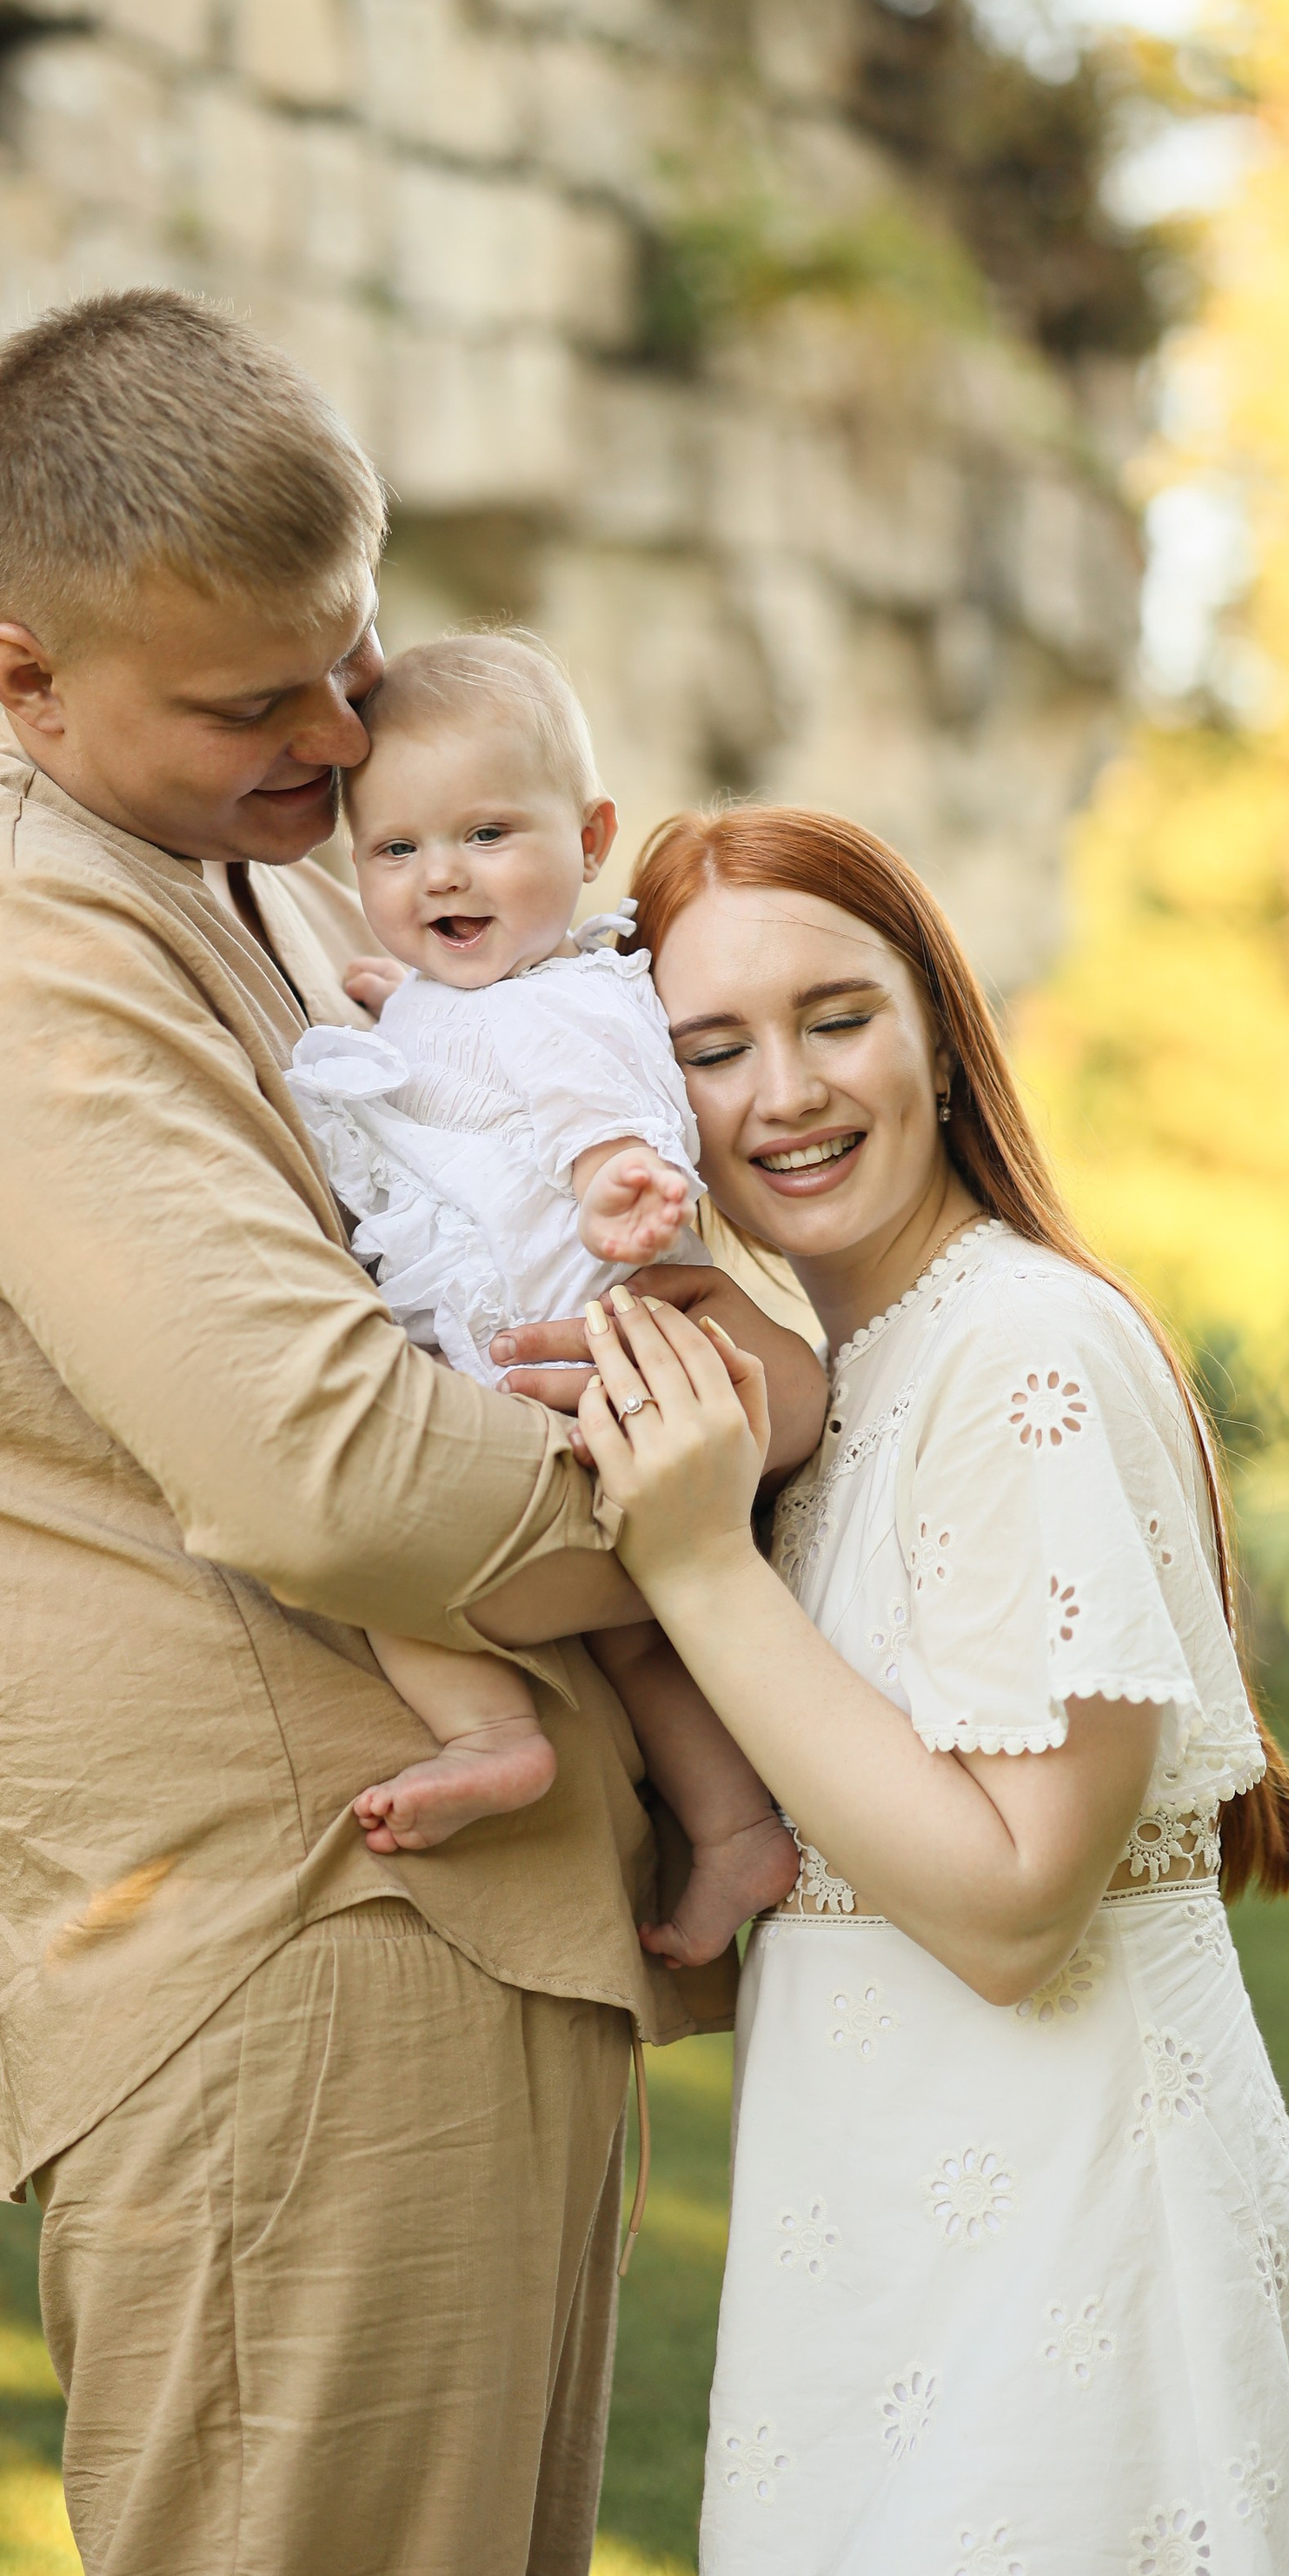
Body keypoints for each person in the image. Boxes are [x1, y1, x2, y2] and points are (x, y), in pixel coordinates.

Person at [0, 290, 827, 2576]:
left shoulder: (244, 868)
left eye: (343, 671)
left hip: (452, 1930)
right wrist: (767, 1448)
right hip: (302, 1952)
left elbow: (499, 1272)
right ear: (24, 678)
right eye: (254, 706)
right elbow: (339, 1468)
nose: (339, 746)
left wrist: (746, 1352)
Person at [564, 806, 1289, 2576]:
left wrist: (696, 1567)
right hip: (874, 2241)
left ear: (941, 1033)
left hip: (1067, 2251)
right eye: (708, 1050)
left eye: (832, 1018)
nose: (778, 1092)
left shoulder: (1017, 1353)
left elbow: (1017, 1900)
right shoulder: (848, 1380)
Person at [286, 628, 801, 1962]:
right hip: (524, 1379)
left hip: (578, 1373)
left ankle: (497, 1734)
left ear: (590, 840)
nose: (440, 873)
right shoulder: (469, 993)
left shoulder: (571, 1006)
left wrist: (622, 1178)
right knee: (637, 1644)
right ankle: (724, 1827)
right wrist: (402, 1007)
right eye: (394, 851)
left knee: (386, 1569)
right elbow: (465, 1059)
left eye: (485, 835)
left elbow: (597, 1107)